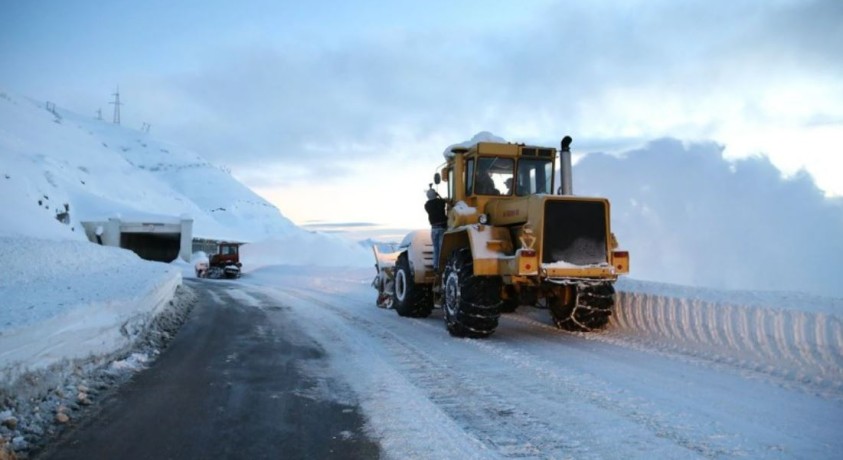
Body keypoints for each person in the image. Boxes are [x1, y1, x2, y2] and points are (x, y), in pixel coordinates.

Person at [424, 188, 447, 273]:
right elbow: (444, 202)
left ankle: (435, 266)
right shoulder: (440, 202)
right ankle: (442, 266)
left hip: (433, 229)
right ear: (435, 194)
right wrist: (438, 194)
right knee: (442, 248)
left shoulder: (427, 205)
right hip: (442, 228)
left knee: (436, 248)